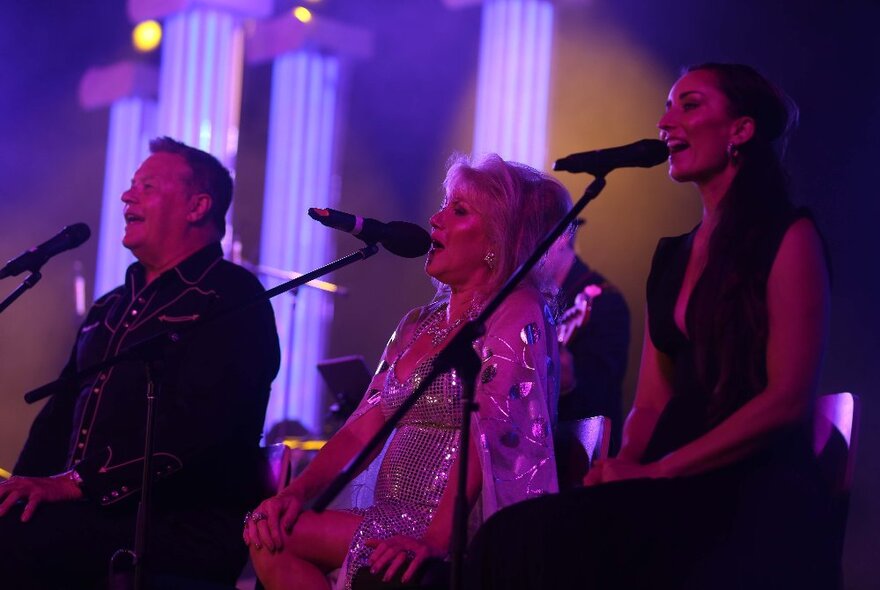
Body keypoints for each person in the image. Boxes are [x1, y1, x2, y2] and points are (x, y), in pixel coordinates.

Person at [465, 63, 836, 589]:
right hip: (669, 481)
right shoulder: (672, 256)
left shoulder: (789, 235)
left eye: (689, 105)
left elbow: (787, 399)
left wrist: (661, 471)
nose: (665, 121)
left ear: (741, 129)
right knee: (506, 538)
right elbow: (652, 402)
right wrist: (619, 467)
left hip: (751, 484)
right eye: (666, 106)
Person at [244, 153, 570, 590]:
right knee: (268, 531)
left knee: (281, 539)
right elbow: (362, 428)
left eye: (459, 211)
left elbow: (491, 433)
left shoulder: (516, 310)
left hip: (451, 524)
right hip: (391, 515)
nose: (435, 220)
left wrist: (437, 538)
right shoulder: (418, 322)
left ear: (498, 238)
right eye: (443, 206)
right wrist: (294, 494)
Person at [0, 137, 281, 588]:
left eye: (147, 186)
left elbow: (199, 425)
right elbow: (55, 420)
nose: (127, 196)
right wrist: (22, 488)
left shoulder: (231, 297)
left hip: (176, 526)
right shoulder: (107, 307)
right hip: (85, 514)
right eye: (131, 186)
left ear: (197, 207)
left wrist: (76, 484)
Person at [547, 218, 630, 478]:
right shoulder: (531, 299)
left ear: (561, 237)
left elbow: (601, 399)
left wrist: (569, 382)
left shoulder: (605, 302)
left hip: (575, 470)